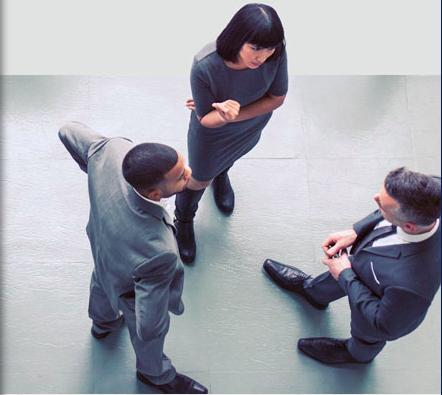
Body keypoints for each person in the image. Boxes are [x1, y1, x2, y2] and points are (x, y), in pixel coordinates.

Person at [58, 122, 208, 394]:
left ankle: (102, 325)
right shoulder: (159, 250)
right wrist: (149, 335)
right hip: (129, 283)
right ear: (155, 195)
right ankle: (154, 375)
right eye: (180, 176)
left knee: (102, 284)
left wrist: (89, 168)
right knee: (146, 335)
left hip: (102, 249)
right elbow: (150, 323)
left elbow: (68, 131)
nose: (189, 173)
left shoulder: (113, 151)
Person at [263, 167, 441, 364]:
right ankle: (313, 293)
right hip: (367, 264)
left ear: (409, 226)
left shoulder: (412, 286)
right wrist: (356, 231)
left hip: (374, 308)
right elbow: (386, 210)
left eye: (381, 205)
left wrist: (345, 275)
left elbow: (385, 325)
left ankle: (356, 354)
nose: (375, 199)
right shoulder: (433, 191)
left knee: (367, 334)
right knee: (343, 271)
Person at [175, 3, 289, 263]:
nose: (262, 57)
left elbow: (277, 98)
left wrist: (238, 115)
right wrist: (225, 116)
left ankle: (221, 174)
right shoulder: (205, 65)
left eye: (268, 49)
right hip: (213, 135)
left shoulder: (277, 50)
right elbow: (205, 119)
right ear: (238, 37)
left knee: (230, 159)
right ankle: (183, 220)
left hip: (250, 125)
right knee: (199, 178)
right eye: (256, 48)